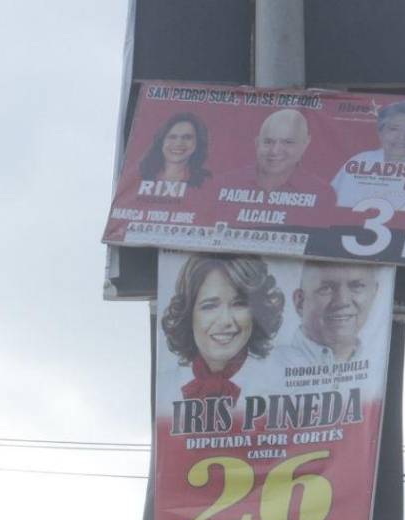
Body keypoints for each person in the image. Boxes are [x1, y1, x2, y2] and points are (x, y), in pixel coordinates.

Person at [161, 255, 284, 401]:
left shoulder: (281, 385)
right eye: (210, 306)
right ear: (188, 315)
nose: (225, 320)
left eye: (239, 304)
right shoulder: (163, 389)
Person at [330, 99, 405, 214]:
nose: (401, 137)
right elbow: (330, 203)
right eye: (394, 129)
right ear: (380, 131)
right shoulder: (359, 162)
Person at [212, 110, 334, 225]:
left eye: (288, 142)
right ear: (257, 143)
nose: (275, 151)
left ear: (305, 143)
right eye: (268, 142)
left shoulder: (321, 194)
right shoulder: (223, 185)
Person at [276, 260, 380, 369]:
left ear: (374, 294)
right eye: (326, 288)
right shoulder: (269, 365)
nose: (342, 301)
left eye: (357, 286)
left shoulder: (378, 363)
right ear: (300, 302)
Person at [137, 112, 212, 189]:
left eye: (187, 137)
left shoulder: (206, 181)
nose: (178, 143)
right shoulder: (139, 177)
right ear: (161, 141)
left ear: (198, 142)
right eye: (172, 137)